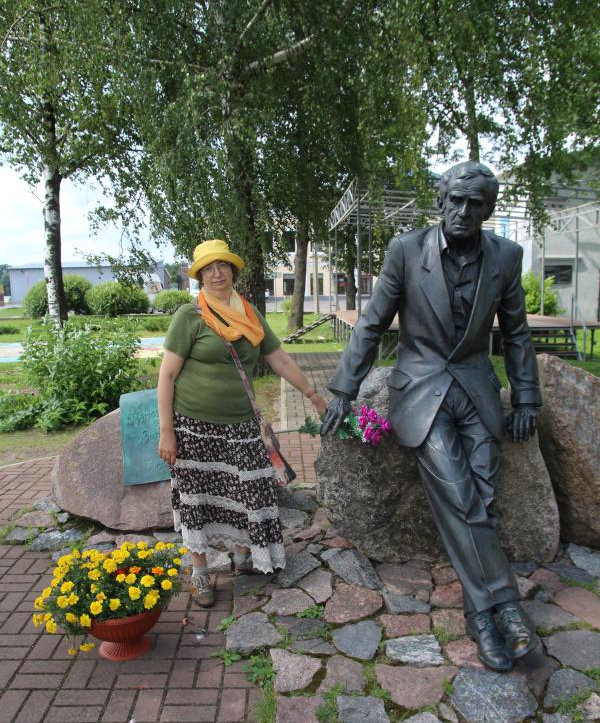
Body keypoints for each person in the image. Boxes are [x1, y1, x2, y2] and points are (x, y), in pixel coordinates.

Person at [321, 161, 541, 672]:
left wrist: (527, 397)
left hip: (476, 388)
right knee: (460, 493)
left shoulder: (506, 256)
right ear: (441, 201)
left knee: (482, 496)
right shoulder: (406, 250)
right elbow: (372, 324)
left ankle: (481, 610)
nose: (463, 211)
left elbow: (516, 333)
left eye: (475, 204)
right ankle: (500, 611)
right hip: (421, 390)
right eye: (455, 201)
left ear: (488, 209)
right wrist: (344, 390)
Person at [158, 239, 327, 607]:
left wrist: (313, 395)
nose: (217, 273)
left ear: (233, 271)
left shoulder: (249, 314)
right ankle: (200, 572)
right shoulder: (189, 316)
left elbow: (281, 360)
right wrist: (167, 432)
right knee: (197, 498)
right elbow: (166, 376)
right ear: (200, 276)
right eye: (208, 268)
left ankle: (241, 554)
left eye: (223, 266)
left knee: (248, 492)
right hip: (193, 427)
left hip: (241, 425)